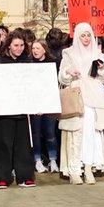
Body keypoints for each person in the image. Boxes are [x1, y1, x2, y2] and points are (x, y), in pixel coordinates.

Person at [58, 23, 104, 185]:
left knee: (91, 133)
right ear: (77, 36)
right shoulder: (69, 53)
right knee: (75, 132)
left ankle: (88, 167)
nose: (86, 39)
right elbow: (61, 76)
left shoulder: (97, 53)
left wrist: (102, 69)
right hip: (77, 95)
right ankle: (74, 169)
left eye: (88, 35)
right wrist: (69, 72)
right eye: (83, 35)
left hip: (94, 96)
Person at [0, 31, 36, 189]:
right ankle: (2, 177)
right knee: (2, 145)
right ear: (8, 45)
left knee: (24, 145)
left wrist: (38, 103)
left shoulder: (28, 62)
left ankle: (25, 176)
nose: (19, 49)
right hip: (3, 112)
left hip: (22, 112)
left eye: (22, 45)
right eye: (16, 45)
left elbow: (36, 85)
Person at [30, 39, 59, 174]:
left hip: (49, 103)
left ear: (44, 49)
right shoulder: (29, 63)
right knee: (35, 133)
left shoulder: (52, 63)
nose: (35, 51)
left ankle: (53, 159)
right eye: (33, 48)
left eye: (37, 48)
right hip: (35, 104)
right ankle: (37, 160)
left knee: (50, 132)